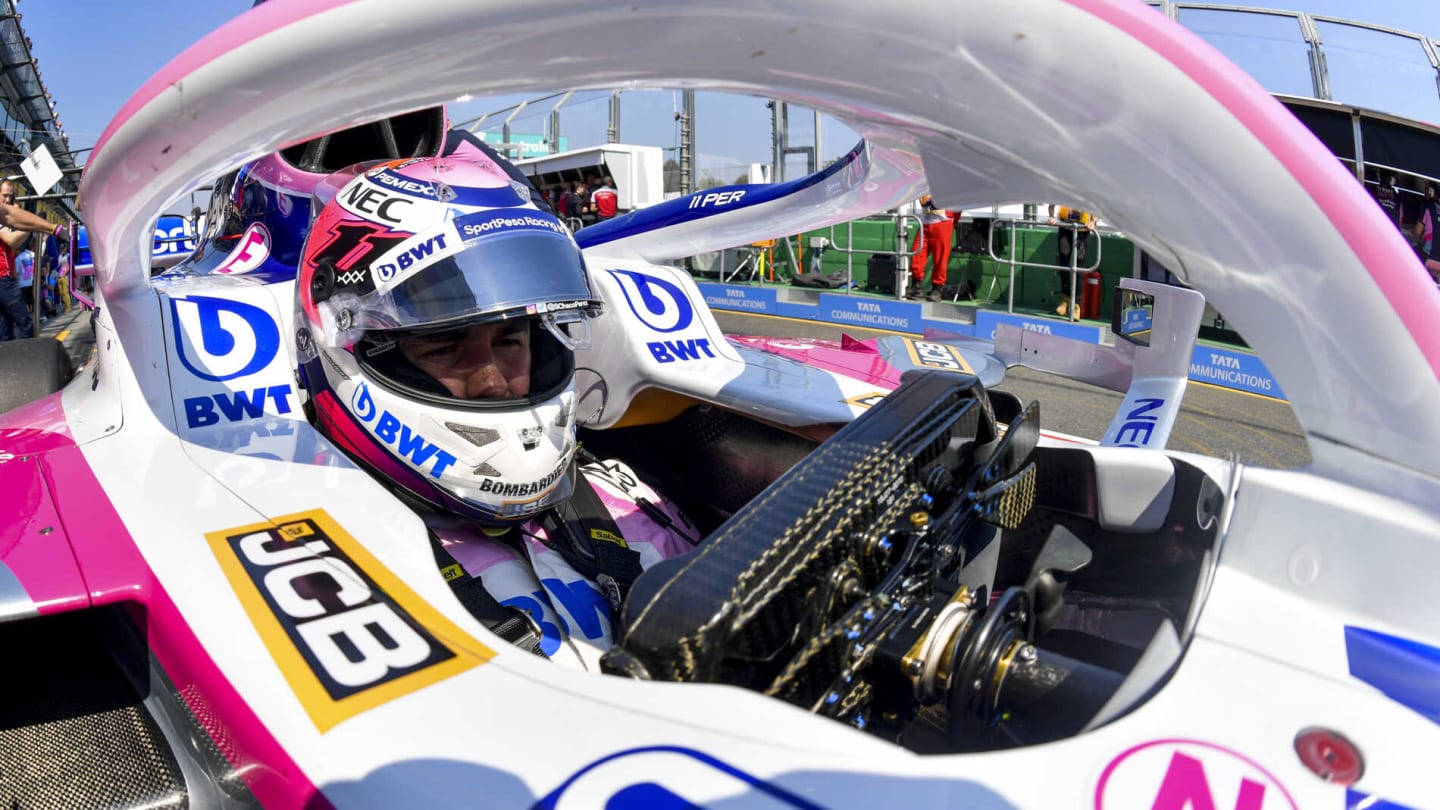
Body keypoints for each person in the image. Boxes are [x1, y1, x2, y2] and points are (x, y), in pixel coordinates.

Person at [295, 155, 697, 670]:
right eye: (443, 348)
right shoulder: (320, 570)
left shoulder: (631, 504)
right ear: (354, 350)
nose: (492, 381)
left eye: (512, 340)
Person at [0, 180, 67, 341]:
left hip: (7, 278)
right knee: (25, 324)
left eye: (11, 196)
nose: (8, 200)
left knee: (5, 327)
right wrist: (35, 225)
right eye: (4, 196)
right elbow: (12, 240)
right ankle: (24, 361)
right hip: (3, 280)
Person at [905, 194, 962, 301]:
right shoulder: (923, 182)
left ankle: (937, 289)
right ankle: (916, 286)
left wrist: (953, 220)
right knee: (916, 252)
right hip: (925, 223)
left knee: (940, 259)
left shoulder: (948, 183)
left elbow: (959, 204)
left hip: (942, 223)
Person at [1048, 203, 1099, 319]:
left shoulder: (1089, 191)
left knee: (1079, 269)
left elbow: (1099, 209)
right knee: (1064, 264)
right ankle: (1065, 299)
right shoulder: (1064, 188)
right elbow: (1051, 203)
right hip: (1065, 228)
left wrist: (1093, 221)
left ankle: (1077, 305)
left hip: (1083, 231)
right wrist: (1051, 216)